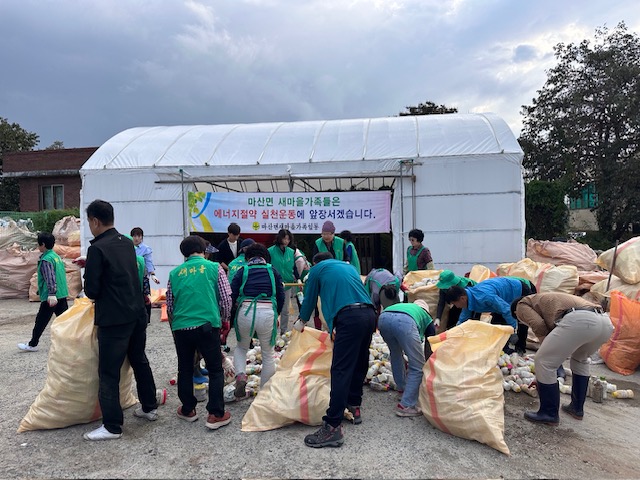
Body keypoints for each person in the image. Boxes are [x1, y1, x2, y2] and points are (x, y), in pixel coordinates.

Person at [82, 200, 159, 441]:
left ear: (95, 221)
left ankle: (112, 426)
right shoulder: (126, 242)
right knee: (139, 360)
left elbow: (92, 290)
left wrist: (89, 270)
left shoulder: (97, 249)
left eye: (89, 223)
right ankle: (149, 408)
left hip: (114, 319)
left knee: (108, 372)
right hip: (136, 313)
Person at [294, 252, 376, 448]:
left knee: (340, 369)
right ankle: (354, 406)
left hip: (348, 317)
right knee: (359, 361)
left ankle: (332, 426)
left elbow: (310, 299)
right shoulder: (349, 267)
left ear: (316, 262)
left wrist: (301, 322)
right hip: (369, 314)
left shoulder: (316, 270)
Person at [511, 292, 613, 426]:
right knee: (580, 359)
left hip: (580, 320)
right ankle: (576, 409)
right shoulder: (544, 301)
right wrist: (543, 378)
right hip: (604, 322)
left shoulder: (521, 305)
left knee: (543, 361)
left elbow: (539, 325)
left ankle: (549, 413)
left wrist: (545, 357)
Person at [166, 235, 232, 430]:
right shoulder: (214, 268)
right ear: (203, 250)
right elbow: (226, 298)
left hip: (182, 328)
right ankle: (215, 414)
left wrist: (175, 327)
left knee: (185, 368)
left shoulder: (175, 273)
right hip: (207, 325)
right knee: (215, 369)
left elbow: (170, 305)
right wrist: (224, 319)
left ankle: (188, 410)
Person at [230, 243, 285, 398]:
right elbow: (281, 296)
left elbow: (232, 295)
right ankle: (263, 394)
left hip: (245, 312)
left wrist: (229, 317)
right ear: (265, 258)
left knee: (241, 348)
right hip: (267, 312)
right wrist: (277, 314)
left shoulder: (243, 271)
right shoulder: (272, 271)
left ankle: (240, 375)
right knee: (268, 353)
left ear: (248, 258)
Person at [444, 276, 534, 354]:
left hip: (519, 290)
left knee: (521, 318)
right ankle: (504, 350)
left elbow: (506, 310)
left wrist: (513, 330)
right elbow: (463, 319)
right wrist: (452, 334)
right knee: (497, 325)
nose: (456, 306)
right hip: (503, 297)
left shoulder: (485, 296)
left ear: (462, 298)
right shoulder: (468, 299)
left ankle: (520, 349)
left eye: (454, 303)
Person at [378, 299, 435, 416]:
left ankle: (402, 389)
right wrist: (429, 363)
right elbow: (430, 343)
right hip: (404, 323)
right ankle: (406, 405)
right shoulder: (426, 317)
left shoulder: (407, 307)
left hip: (383, 318)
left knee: (396, 355)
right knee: (418, 367)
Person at [18, 232, 69, 352]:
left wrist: (51, 293)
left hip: (52, 296)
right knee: (65, 321)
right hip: (61, 294)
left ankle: (32, 344)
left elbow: (50, 277)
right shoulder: (56, 257)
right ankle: (71, 342)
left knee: (41, 321)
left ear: (43, 245)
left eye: (38, 244)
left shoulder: (46, 259)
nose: (38, 246)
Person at [268, 229, 297, 335]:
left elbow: (294, 267)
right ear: (279, 238)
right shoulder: (270, 251)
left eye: (288, 239)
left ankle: (284, 331)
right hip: (274, 284)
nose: (286, 241)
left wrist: (296, 278)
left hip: (287, 285)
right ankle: (271, 330)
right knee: (273, 309)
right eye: (284, 238)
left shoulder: (291, 252)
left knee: (285, 310)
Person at [131, 227, 160, 322]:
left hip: (142, 276)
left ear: (142, 237)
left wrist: (153, 275)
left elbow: (148, 262)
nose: (136, 238)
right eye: (134, 236)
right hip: (131, 276)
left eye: (138, 236)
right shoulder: (127, 247)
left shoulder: (145, 249)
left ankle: (147, 318)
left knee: (145, 297)